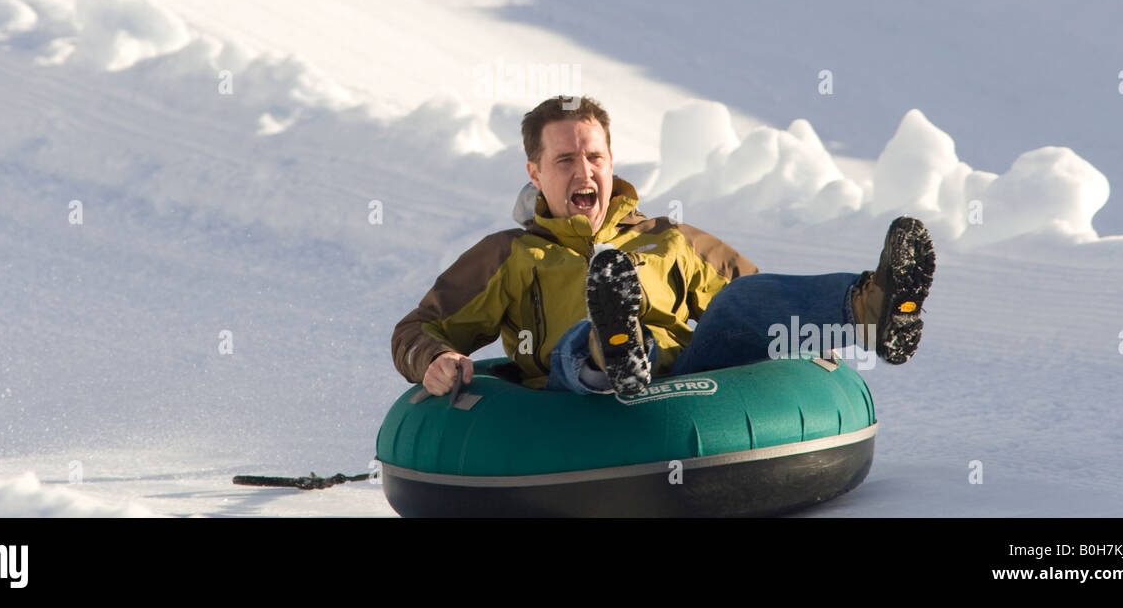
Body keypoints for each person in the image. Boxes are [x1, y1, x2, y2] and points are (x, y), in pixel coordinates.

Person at [391, 95, 935, 398]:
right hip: (577, 397)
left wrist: (800, 333)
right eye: (564, 161)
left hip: (690, 382)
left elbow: (755, 296)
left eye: (595, 157)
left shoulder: (665, 238)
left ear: (610, 160)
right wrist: (435, 358)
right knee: (584, 334)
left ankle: (873, 309)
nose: (585, 171)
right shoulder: (509, 255)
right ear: (534, 172)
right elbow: (417, 329)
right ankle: (614, 350)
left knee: (738, 303)